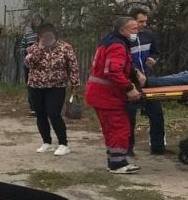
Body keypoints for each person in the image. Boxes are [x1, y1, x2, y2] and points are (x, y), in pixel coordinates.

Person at [85, 17, 142, 173]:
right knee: (119, 128)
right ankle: (117, 164)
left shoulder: (109, 42)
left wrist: (135, 73)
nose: (137, 32)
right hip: (107, 96)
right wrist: (129, 88)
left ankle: (115, 161)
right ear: (122, 30)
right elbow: (113, 71)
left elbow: (116, 67)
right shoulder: (117, 45)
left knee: (112, 129)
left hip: (101, 95)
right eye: (134, 29)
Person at [24, 23, 79, 156]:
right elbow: (29, 64)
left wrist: (74, 84)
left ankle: (63, 143)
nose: (48, 39)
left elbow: (73, 66)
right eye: (44, 37)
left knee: (54, 113)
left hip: (56, 86)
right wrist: (39, 49)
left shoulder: (65, 47)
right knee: (40, 114)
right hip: (36, 86)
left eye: (50, 36)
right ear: (40, 37)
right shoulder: (34, 48)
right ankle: (46, 142)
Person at [127, 8, 166, 155]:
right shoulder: (126, 39)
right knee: (130, 115)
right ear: (132, 22)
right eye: (140, 21)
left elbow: (155, 52)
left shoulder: (149, 35)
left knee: (156, 113)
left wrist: (153, 59)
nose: (144, 24)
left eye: (145, 21)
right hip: (130, 82)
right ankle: (128, 149)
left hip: (147, 79)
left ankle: (158, 147)